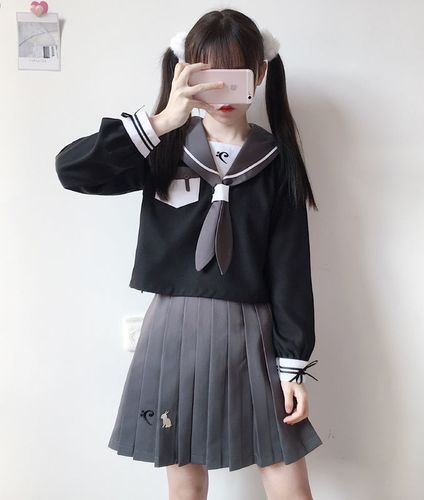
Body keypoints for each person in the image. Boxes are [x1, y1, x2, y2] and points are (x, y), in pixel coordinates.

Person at [55, 7, 322, 500]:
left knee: (285, 472)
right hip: (173, 330)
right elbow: (72, 171)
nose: (222, 90)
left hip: (254, 332)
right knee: (184, 477)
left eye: (236, 73)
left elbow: (290, 268)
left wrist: (293, 364)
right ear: (187, 74)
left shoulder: (276, 160)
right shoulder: (161, 148)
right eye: (209, 75)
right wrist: (161, 121)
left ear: (260, 72)